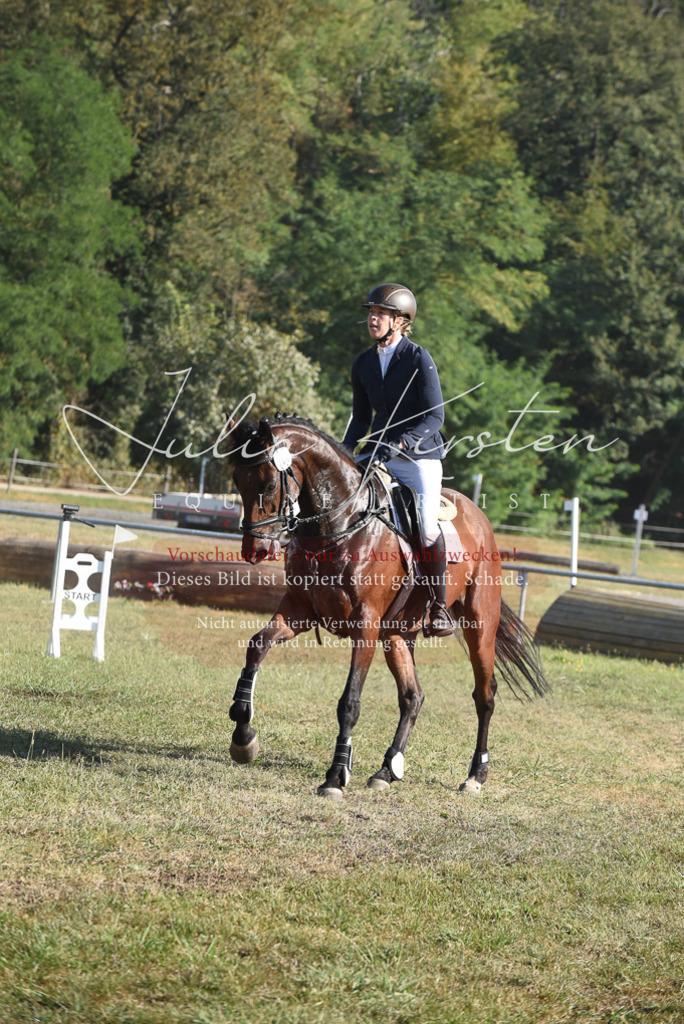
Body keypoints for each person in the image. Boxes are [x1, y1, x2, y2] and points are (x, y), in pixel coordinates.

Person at [342, 283, 454, 637]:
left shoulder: (418, 358)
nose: (372, 319)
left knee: (425, 526)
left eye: (381, 314)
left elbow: (435, 416)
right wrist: (344, 450)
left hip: (418, 456)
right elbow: (361, 418)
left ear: (400, 321)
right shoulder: (363, 363)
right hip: (377, 452)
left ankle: (439, 607)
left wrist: (403, 442)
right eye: (371, 313)